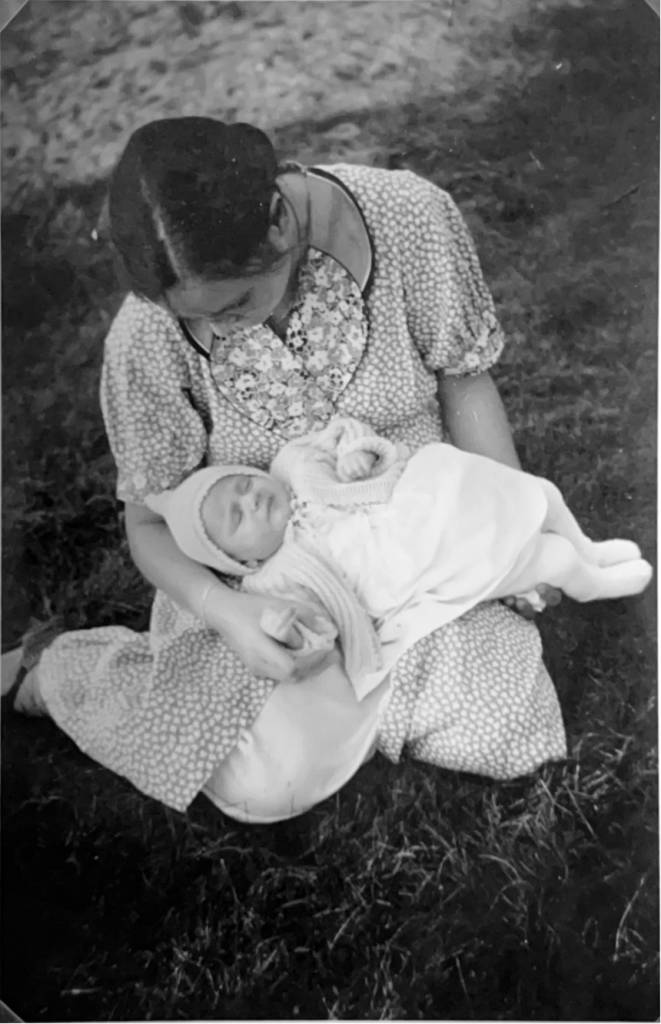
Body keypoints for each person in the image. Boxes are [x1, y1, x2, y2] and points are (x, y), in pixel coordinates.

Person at [3, 116, 571, 822]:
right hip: (261, 576)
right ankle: (57, 669)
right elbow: (149, 519)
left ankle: (375, 694)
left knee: (509, 721)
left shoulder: (408, 216)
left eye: (236, 303)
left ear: (277, 221)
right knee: (259, 786)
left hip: (408, 537)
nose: (222, 333)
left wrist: (516, 527)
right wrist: (231, 615)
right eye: (198, 321)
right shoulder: (145, 334)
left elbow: (463, 379)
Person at [146, 414, 651, 699]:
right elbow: (316, 626)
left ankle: (590, 549)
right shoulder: (275, 577)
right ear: (242, 562)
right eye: (238, 518)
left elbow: (344, 434)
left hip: (430, 502)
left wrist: (358, 454)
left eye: (241, 484)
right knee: (549, 559)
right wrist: (286, 628)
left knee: (537, 491)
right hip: (432, 567)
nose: (252, 499)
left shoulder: (293, 465)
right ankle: (591, 581)